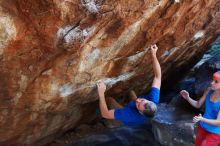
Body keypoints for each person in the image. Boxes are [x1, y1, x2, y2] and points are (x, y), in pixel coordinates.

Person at [97, 44, 161, 126]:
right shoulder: (153, 101)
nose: (138, 100)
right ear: (150, 101)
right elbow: (158, 76)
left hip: (124, 120)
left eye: (138, 104)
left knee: (109, 100)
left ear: (140, 112)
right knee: (131, 92)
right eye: (142, 100)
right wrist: (153, 54)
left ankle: (108, 122)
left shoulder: (130, 115)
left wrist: (101, 93)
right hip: (135, 112)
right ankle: (127, 104)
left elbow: (105, 114)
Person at [180, 71, 220, 146]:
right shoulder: (209, 90)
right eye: (212, 80)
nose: (212, 83)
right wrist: (188, 98)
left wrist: (202, 119)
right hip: (203, 126)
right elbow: (198, 104)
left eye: (216, 82)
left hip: (216, 131)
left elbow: (218, 122)